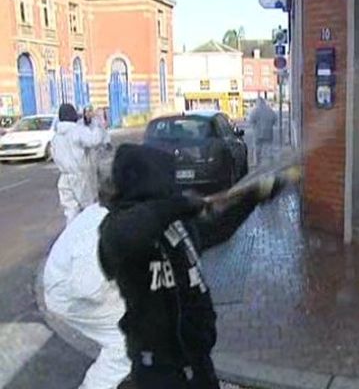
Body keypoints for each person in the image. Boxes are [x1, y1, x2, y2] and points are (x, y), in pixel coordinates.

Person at [98, 144, 292, 388]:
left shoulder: (175, 224)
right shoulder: (118, 228)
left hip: (196, 361)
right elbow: (130, 233)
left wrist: (253, 198)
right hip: (160, 370)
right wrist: (180, 204)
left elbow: (217, 229)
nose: (173, 185)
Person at [44, 159, 132, 389]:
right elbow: (86, 287)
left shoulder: (108, 212)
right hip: (69, 295)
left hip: (74, 283)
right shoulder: (103, 230)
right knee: (126, 341)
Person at [52, 103, 106, 224]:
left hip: (64, 177)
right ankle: (87, 238)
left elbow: (54, 155)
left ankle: (70, 237)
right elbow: (95, 140)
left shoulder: (56, 136)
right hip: (80, 175)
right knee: (88, 209)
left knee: (70, 211)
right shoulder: (76, 131)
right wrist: (98, 123)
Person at [247, 96, 277, 165]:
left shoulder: (255, 110)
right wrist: (270, 124)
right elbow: (275, 119)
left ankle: (257, 162)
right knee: (269, 147)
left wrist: (254, 125)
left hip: (258, 133)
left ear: (257, 102)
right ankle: (270, 161)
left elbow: (251, 120)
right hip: (268, 132)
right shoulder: (269, 110)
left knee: (257, 148)